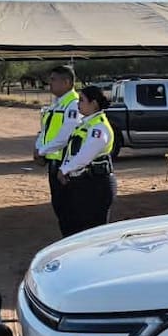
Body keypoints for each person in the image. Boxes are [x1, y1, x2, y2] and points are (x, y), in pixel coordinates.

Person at [58, 85, 116, 236]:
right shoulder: (86, 123)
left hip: (96, 185)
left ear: (94, 103)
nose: (78, 104)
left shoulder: (99, 127)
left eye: (82, 100)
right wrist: (66, 168)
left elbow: (85, 155)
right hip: (84, 184)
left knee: (94, 232)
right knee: (79, 227)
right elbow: (72, 152)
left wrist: (64, 170)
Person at [34, 65, 81, 235]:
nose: (50, 83)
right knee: (60, 207)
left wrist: (42, 151)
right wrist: (38, 147)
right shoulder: (57, 104)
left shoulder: (74, 104)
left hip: (66, 164)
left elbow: (65, 136)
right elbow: (46, 130)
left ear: (67, 82)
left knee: (69, 210)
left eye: (54, 80)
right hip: (54, 162)